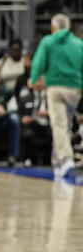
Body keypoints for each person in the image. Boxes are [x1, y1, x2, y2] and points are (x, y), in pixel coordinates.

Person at [29, 13, 83, 181]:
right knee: (65, 125)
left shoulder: (48, 41)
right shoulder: (79, 43)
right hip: (75, 89)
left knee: (58, 125)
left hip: (56, 87)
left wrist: (34, 78)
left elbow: (39, 62)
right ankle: (58, 160)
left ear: (53, 28)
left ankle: (66, 159)